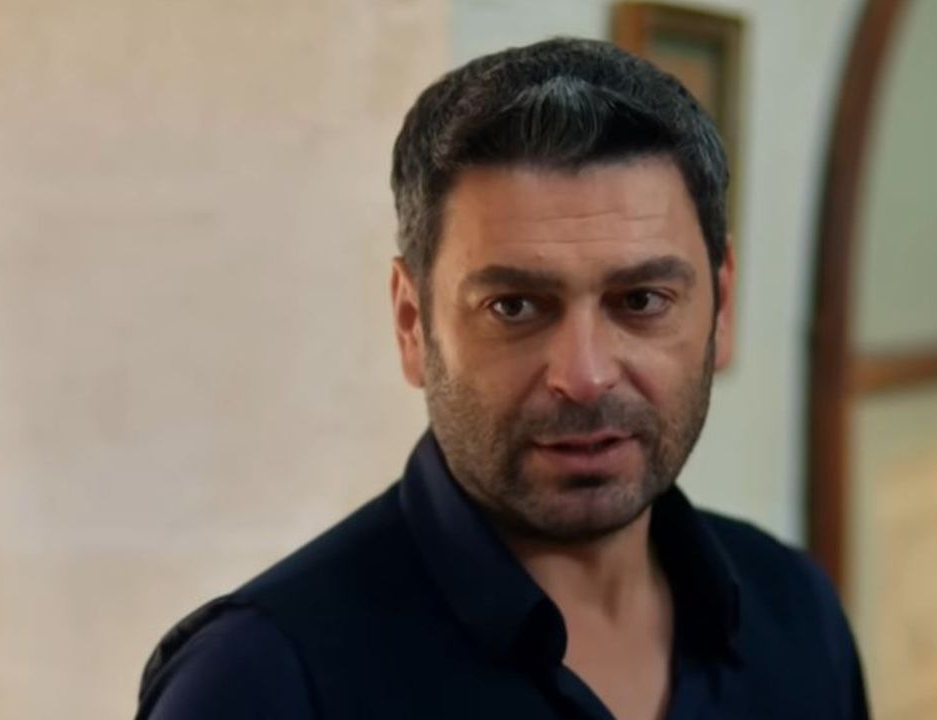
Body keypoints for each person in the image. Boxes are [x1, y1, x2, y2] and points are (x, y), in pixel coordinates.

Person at [137, 37, 868, 719]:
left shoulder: (797, 613)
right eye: (514, 306)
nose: (584, 376)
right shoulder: (256, 682)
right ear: (411, 324)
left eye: (642, 301)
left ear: (722, 307)